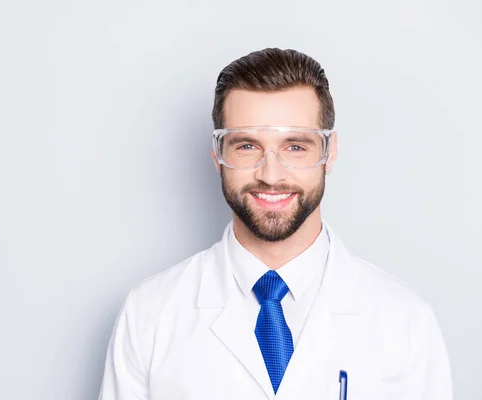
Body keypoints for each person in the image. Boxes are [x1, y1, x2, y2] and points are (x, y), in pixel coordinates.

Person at [98, 48, 453, 400]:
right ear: (218, 156)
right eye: (248, 146)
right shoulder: (150, 314)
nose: (271, 175)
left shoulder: (403, 320)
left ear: (328, 154)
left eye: (295, 147)